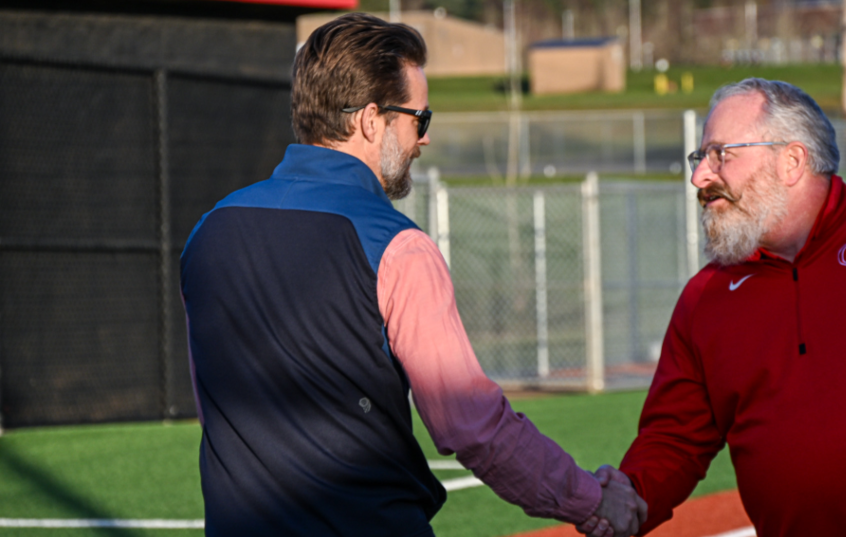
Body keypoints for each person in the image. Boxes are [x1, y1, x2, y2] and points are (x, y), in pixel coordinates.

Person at [179, 13, 645, 537]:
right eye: (419, 119)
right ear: (371, 120)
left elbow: (212, 406)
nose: (424, 139)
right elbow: (473, 425)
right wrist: (591, 499)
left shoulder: (207, 233)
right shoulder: (396, 245)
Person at [577, 78, 846, 537]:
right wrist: (630, 496)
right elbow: (674, 439)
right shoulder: (705, 298)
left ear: (791, 161)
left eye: (720, 155)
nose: (700, 177)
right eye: (700, 159)